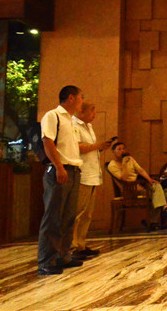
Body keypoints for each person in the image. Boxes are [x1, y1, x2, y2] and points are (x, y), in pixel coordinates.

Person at [37, 85, 85, 276]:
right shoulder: (53, 116)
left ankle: (63, 255)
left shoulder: (72, 121)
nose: (82, 101)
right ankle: (45, 261)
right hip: (59, 171)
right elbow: (47, 141)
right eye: (81, 97)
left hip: (73, 171)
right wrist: (58, 166)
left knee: (68, 217)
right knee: (53, 217)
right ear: (71, 98)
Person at [71, 101, 112, 259]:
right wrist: (97, 146)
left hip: (93, 174)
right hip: (83, 174)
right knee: (78, 212)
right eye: (92, 111)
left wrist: (100, 147)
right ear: (81, 112)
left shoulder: (89, 126)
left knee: (87, 214)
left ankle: (81, 244)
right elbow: (77, 147)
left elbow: (90, 147)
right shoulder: (74, 125)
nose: (94, 114)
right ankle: (72, 246)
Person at [108, 141, 167, 231]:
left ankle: (160, 212)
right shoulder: (112, 165)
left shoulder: (130, 159)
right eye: (119, 149)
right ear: (113, 151)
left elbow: (140, 170)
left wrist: (149, 180)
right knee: (155, 195)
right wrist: (124, 164)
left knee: (157, 186)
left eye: (123, 149)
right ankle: (154, 219)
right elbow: (124, 179)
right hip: (128, 190)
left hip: (138, 185)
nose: (122, 151)